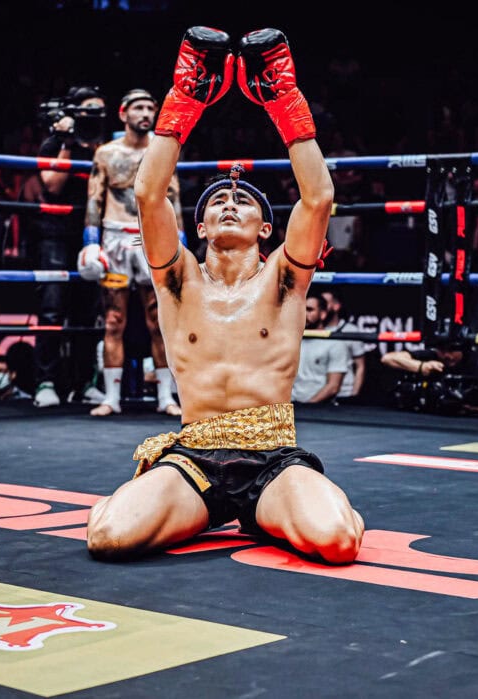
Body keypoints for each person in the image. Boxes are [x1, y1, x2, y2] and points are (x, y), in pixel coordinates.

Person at [85, 26, 364, 564]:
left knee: (338, 542)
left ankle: (290, 506)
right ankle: (190, 506)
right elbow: (148, 192)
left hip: (272, 455)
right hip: (195, 458)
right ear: (201, 227)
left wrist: (286, 101)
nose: (228, 204)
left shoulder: (284, 278)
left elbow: (319, 196)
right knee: (109, 538)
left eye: (243, 200)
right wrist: (183, 100)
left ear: (266, 228)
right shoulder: (178, 278)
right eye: (216, 202)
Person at [78, 87, 183, 417]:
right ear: (123, 113)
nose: (146, 114)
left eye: (150, 108)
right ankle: (112, 398)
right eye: (138, 108)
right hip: (113, 237)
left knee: (159, 320)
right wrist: (90, 241)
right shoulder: (106, 153)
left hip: (151, 238)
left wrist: (179, 243)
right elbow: (94, 200)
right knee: (113, 320)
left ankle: (166, 396)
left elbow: (174, 198)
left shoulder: (163, 151)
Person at [31, 86, 108, 409]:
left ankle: (84, 382)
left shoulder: (105, 146)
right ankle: (45, 382)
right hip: (56, 235)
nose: (94, 117)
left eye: (99, 111)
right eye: (88, 110)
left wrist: (93, 147)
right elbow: (53, 184)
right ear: (75, 112)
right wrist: (65, 141)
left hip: (91, 234)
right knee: (52, 306)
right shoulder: (54, 142)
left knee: (88, 311)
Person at [381, 334, 478, 415]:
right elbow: (387, 358)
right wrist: (420, 366)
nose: (447, 355)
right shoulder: (432, 356)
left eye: (452, 351)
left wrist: (471, 409)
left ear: (463, 350)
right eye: (442, 350)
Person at [292, 291, 351, 404]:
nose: (304, 314)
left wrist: (309, 406)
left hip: (320, 410)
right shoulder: (291, 342)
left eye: (309, 310)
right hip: (291, 406)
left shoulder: (335, 344)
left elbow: (333, 386)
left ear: (323, 314)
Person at [321, 289, 366, 404]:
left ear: (336, 306)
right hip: (318, 392)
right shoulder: (313, 331)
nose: (321, 306)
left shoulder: (350, 330)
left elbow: (360, 366)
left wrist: (354, 395)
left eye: (325, 302)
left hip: (344, 392)